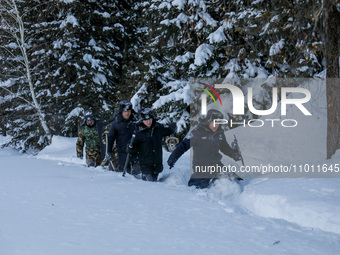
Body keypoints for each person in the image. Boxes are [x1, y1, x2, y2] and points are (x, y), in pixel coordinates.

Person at [167, 109, 242, 189]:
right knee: (200, 188)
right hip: (201, 168)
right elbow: (183, 146)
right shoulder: (197, 133)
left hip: (217, 165)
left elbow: (224, 147)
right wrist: (172, 158)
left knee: (235, 181)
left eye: (218, 123)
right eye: (214, 122)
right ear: (208, 120)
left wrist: (233, 154)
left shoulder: (220, 133)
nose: (215, 125)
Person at [129, 108, 176, 182]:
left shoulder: (158, 127)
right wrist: (130, 148)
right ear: (142, 120)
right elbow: (131, 148)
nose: (148, 122)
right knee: (149, 184)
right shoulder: (138, 132)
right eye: (146, 120)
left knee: (154, 182)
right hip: (144, 165)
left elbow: (168, 131)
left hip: (156, 164)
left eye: (150, 119)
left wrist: (172, 127)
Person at [106, 100, 139, 175]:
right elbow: (110, 138)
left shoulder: (136, 121)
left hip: (135, 153)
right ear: (121, 111)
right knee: (124, 177)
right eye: (125, 111)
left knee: (137, 176)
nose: (127, 113)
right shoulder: (116, 123)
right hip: (122, 153)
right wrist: (108, 151)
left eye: (129, 111)